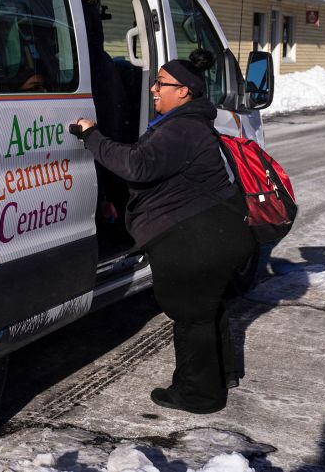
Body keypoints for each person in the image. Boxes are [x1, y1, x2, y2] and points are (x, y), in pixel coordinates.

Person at [74, 48, 255, 414]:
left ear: (184, 91)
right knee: (207, 309)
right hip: (215, 233)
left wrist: (91, 136)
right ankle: (224, 375)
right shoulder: (188, 124)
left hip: (196, 238)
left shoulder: (182, 129)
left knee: (191, 315)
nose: (153, 89)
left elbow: (136, 165)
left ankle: (198, 395)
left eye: (161, 83)